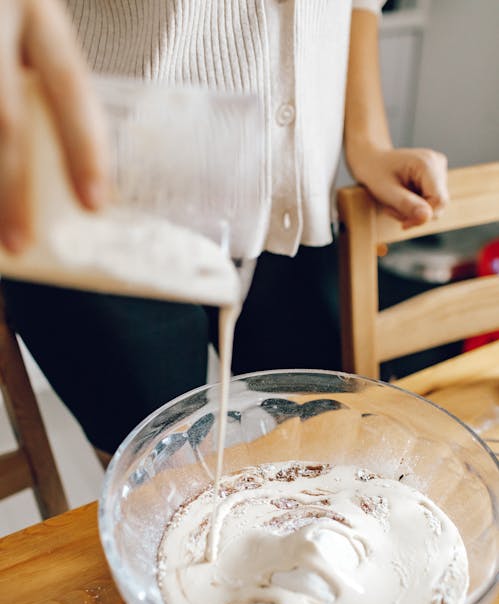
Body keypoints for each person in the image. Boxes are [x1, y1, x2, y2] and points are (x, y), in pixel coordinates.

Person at [0, 0, 448, 461]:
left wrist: (368, 142)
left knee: (325, 449)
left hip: (291, 203)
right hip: (101, 210)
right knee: (163, 477)